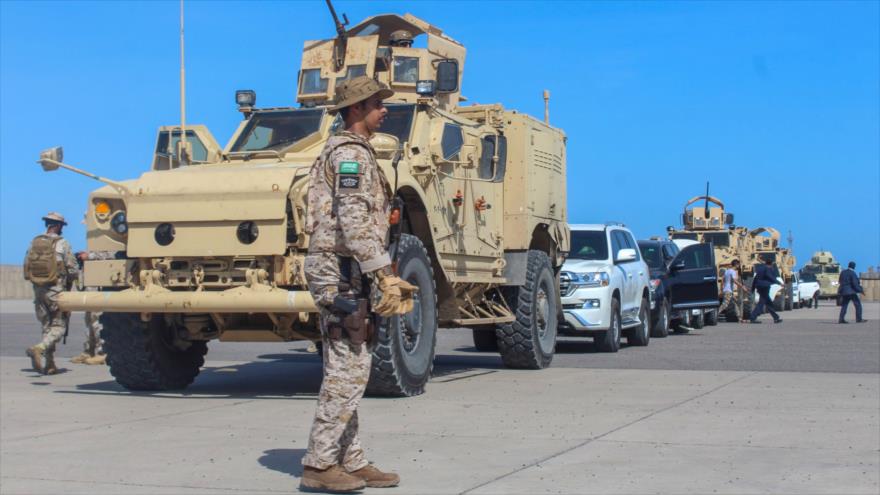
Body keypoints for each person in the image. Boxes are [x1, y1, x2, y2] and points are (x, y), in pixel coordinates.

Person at [300, 76, 417, 493]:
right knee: (347, 369)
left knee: (352, 361)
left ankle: (349, 459)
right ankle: (319, 463)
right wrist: (383, 273)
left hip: (346, 268)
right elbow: (353, 221)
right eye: (375, 103)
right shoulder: (350, 155)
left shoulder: (351, 151)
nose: (384, 110)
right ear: (355, 110)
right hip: (340, 268)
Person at [23, 212, 79, 375]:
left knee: (47, 326)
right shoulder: (62, 243)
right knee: (59, 326)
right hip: (56, 291)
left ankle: (50, 363)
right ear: (59, 226)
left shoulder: (34, 242)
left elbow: (27, 267)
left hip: (38, 291)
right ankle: (39, 348)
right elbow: (73, 270)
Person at [70, 250, 116, 365]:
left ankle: (102, 353)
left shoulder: (112, 240)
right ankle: (88, 351)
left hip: (100, 288)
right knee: (89, 320)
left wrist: (90, 256)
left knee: (98, 321)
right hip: (91, 288)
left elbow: (113, 254)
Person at [749, 257, 782, 324]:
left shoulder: (760, 269)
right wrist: (779, 283)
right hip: (764, 287)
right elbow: (770, 277)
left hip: (759, 287)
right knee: (761, 303)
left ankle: (776, 318)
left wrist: (752, 289)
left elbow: (755, 279)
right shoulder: (767, 269)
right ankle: (753, 317)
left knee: (768, 303)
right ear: (771, 264)